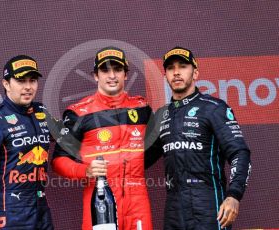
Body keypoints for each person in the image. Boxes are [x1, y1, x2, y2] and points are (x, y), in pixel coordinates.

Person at [145, 47, 251, 230]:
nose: (176, 72)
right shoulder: (161, 116)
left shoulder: (213, 108)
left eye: (183, 66)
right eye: (170, 68)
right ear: (165, 76)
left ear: (195, 73)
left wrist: (234, 195)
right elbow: (139, 160)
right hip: (173, 207)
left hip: (207, 203)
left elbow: (239, 153)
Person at [52, 46, 153, 230]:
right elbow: (58, 161)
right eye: (105, 70)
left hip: (138, 201)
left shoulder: (142, 108)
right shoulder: (79, 113)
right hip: (99, 199)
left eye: (117, 69)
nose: (112, 75)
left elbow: (154, 149)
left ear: (126, 74)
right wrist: (86, 171)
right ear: (96, 75)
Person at [0, 55, 56, 230]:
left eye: (33, 80)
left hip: (41, 209)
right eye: (21, 81)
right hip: (9, 213)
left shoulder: (41, 112)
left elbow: (69, 138)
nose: (28, 87)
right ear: (6, 84)